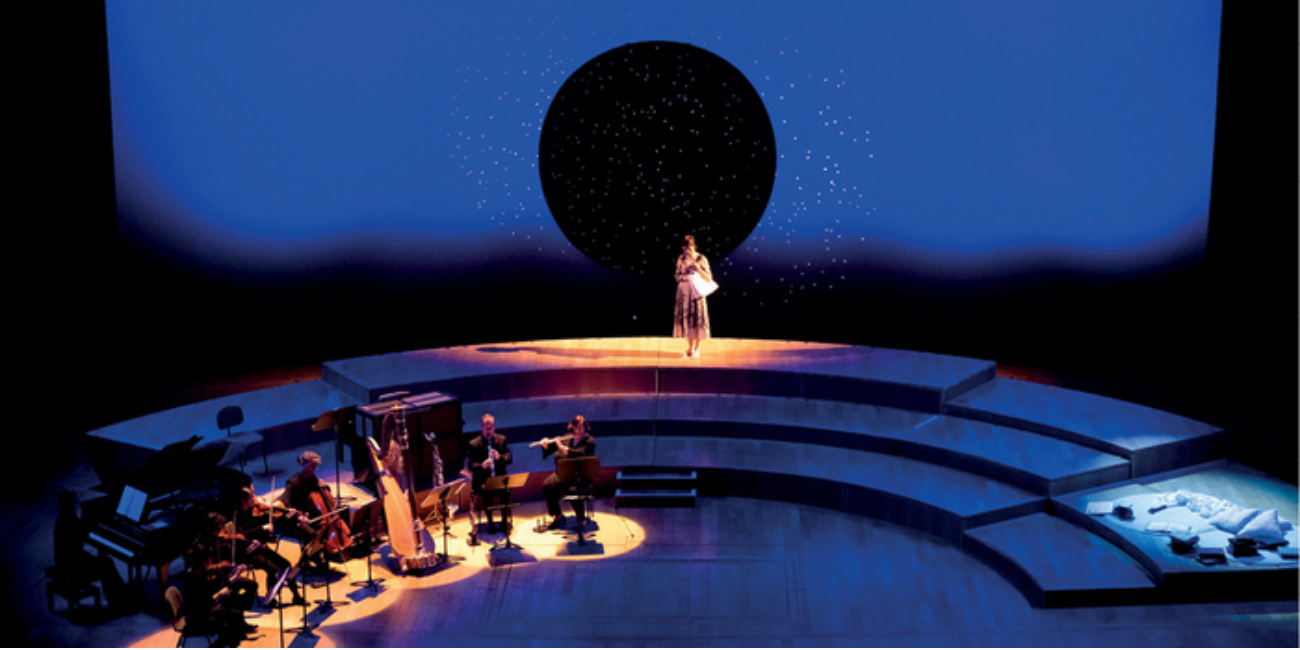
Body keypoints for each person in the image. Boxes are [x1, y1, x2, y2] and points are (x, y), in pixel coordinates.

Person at [229, 486, 304, 607]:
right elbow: (241, 535)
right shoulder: (236, 515)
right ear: (243, 501)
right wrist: (261, 528)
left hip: (260, 547)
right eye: (251, 497)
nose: (254, 499)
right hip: (247, 552)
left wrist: (287, 517)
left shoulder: (253, 510)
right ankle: (271, 599)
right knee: (272, 568)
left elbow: (274, 520)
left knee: (286, 565)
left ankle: (296, 596)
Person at [54, 491, 127, 610]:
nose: (79, 503)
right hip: (71, 566)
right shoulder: (69, 522)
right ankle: (117, 599)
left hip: (67, 561)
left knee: (104, 562)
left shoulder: (65, 518)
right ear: (71, 505)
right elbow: (79, 539)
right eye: (76, 501)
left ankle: (117, 597)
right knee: (106, 564)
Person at [537, 415, 597, 530]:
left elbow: (580, 453)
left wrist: (562, 447)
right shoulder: (567, 437)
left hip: (581, 475)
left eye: (582, 427)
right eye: (577, 427)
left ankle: (581, 519)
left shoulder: (589, 441)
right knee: (547, 485)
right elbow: (550, 449)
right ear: (573, 427)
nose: (580, 430)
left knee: (573, 491)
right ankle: (558, 516)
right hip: (564, 473)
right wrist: (545, 445)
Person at [464, 413, 512, 533]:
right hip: (482, 480)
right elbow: (470, 465)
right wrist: (482, 465)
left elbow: (509, 458)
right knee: (486, 492)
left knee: (506, 491)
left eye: (491, 427)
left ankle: (504, 521)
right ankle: (490, 522)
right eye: (486, 427)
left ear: (494, 427)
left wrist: (498, 457)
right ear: (481, 426)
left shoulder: (502, 440)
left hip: (498, 479)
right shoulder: (473, 444)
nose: (489, 430)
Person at [674, 234, 713, 358]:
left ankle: (697, 348)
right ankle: (690, 348)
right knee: (687, 320)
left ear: (694, 247)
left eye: (689, 248)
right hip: (685, 294)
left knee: (698, 320)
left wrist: (698, 269)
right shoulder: (681, 258)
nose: (687, 251)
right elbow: (677, 276)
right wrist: (686, 277)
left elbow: (708, 278)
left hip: (697, 294)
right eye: (684, 249)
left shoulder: (701, 258)